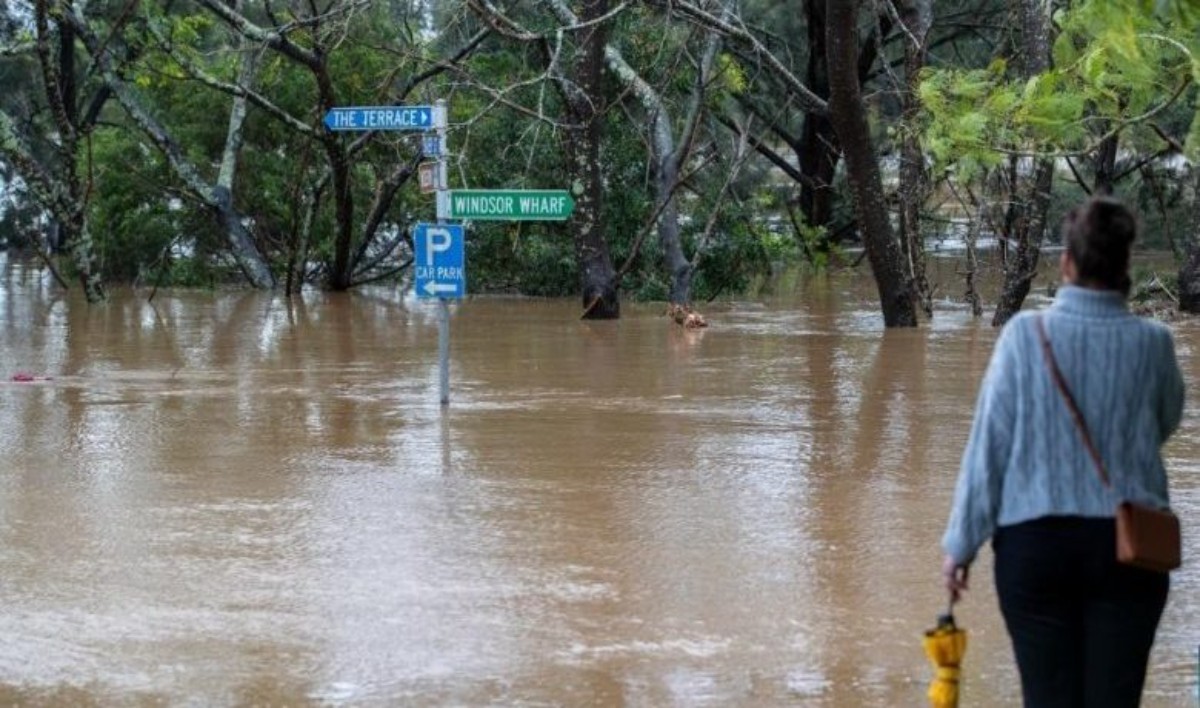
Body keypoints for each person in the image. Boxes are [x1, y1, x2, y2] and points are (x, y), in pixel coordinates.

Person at [940, 195, 1185, 707]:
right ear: (1124, 264)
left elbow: (990, 448)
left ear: (1066, 263)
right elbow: (1162, 426)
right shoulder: (1155, 343)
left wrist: (962, 545)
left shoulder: (1024, 336)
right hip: (1131, 546)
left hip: (1035, 547)